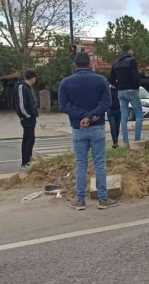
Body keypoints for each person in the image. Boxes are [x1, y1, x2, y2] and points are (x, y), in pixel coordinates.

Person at [59, 52, 118, 210]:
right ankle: (103, 199)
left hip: (78, 127)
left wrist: (82, 117)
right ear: (90, 63)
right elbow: (106, 102)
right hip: (97, 126)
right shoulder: (100, 80)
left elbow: (64, 105)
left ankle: (80, 200)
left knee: (81, 164)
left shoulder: (65, 82)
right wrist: (91, 117)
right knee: (100, 163)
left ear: (75, 64)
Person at [110, 45, 142, 147]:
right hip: (132, 90)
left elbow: (111, 78)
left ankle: (125, 141)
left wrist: (118, 86)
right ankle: (137, 139)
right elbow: (135, 76)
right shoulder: (131, 60)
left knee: (124, 116)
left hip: (121, 91)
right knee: (139, 115)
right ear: (129, 50)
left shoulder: (115, 63)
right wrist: (136, 87)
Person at [15, 69, 39, 170]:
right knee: (28, 139)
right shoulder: (21, 87)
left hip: (30, 117)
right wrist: (27, 116)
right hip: (26, 118)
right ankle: (25, 162)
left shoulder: (26, 87)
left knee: (30, 138)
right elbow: (21, 105)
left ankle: (27, 160)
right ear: (33, 78)